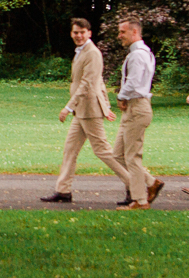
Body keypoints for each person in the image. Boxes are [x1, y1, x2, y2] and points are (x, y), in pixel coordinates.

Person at [41, 18, 132, 203]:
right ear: (71, 33)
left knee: (103, 151)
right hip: (82, 111)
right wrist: (106, 105)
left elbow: (88, 83)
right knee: (70, 149)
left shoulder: (93, 53)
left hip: (89, 110)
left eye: (82, 32)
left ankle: (136, 184)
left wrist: (68, 107)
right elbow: (99, 83)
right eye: (75, 32)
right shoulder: (81, 52)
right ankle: (63, 190)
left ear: (89, 33)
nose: (79, 36)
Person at [113, 18, 162, 208]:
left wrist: (121, 96)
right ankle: (150, 182)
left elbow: (133, 81)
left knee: (132, 156)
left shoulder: (139, 55)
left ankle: (140, 200)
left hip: (138, 106)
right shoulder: (139, 53)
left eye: (122, 32)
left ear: (134, 32)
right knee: (117, 155)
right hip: (133, 106)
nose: (120, 36)